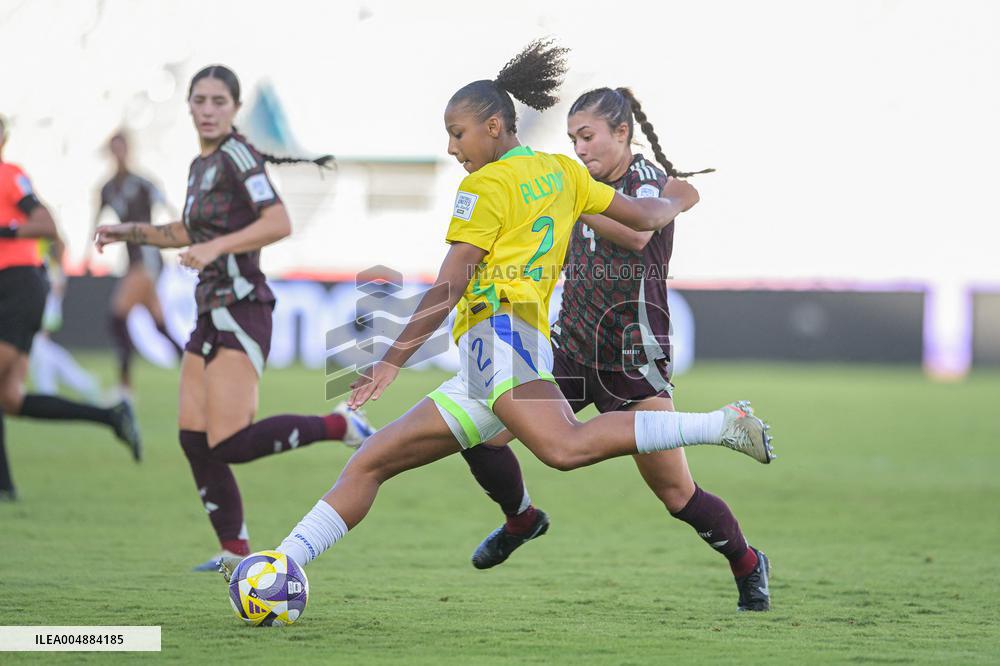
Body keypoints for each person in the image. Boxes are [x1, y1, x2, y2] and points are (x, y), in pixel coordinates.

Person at [220, 40, 773, 588]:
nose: (451, 148)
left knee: (564, 448)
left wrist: (392, 360)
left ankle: (722, 425)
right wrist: (678, 198)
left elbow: (451, 281)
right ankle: (278, 565)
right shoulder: (563, 172)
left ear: (492, 126)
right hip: (490, 358)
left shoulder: (483, 186)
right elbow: (643, 217)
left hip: (505, 339)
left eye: (456, 133)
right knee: (373, 459)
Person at [460, 87, 771, 611]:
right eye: (572, 139)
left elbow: (638, 235)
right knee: (480, 431)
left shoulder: (641, 178)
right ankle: (521, 519)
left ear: (622, 134)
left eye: (588, 136)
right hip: (571, 349)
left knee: (676, 495)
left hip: (633, 358)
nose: (579, 148)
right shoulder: (573, 182)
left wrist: (567, 199)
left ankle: (747, 562)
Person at [94, 65, 375, 569]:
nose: (207, 110)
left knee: (230, 442)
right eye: (199, 100)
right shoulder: (200, 164)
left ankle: (340, 425)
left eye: (218, 101)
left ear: (235, 108)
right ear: (188, 105)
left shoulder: (237, 154)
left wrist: (216, 247)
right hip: (210, 307)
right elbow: (190, 231)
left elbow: (279, 221)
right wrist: (129, 231)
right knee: (192, 437)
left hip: (242, 308)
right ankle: (233, 550)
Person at [0, 114, 141, 502]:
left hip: (16, 287)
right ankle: (111, 416)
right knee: (10, 398)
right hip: (16, 286)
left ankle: (4, 488)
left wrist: (7, 232)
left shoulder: (9, 174)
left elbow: (46, 225)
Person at [84, 131, 184, 397]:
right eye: (114, 148)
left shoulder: (143, 183)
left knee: (117, 319)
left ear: (129, 149)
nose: (118, 153)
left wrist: (187, 238)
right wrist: (87, 256)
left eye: (122, 147)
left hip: (147, 260)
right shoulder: (107, 188)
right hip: (132, 262)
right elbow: (96, 223)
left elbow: (169, 210)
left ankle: (125, 386)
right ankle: (193, 370)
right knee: (160, 326)